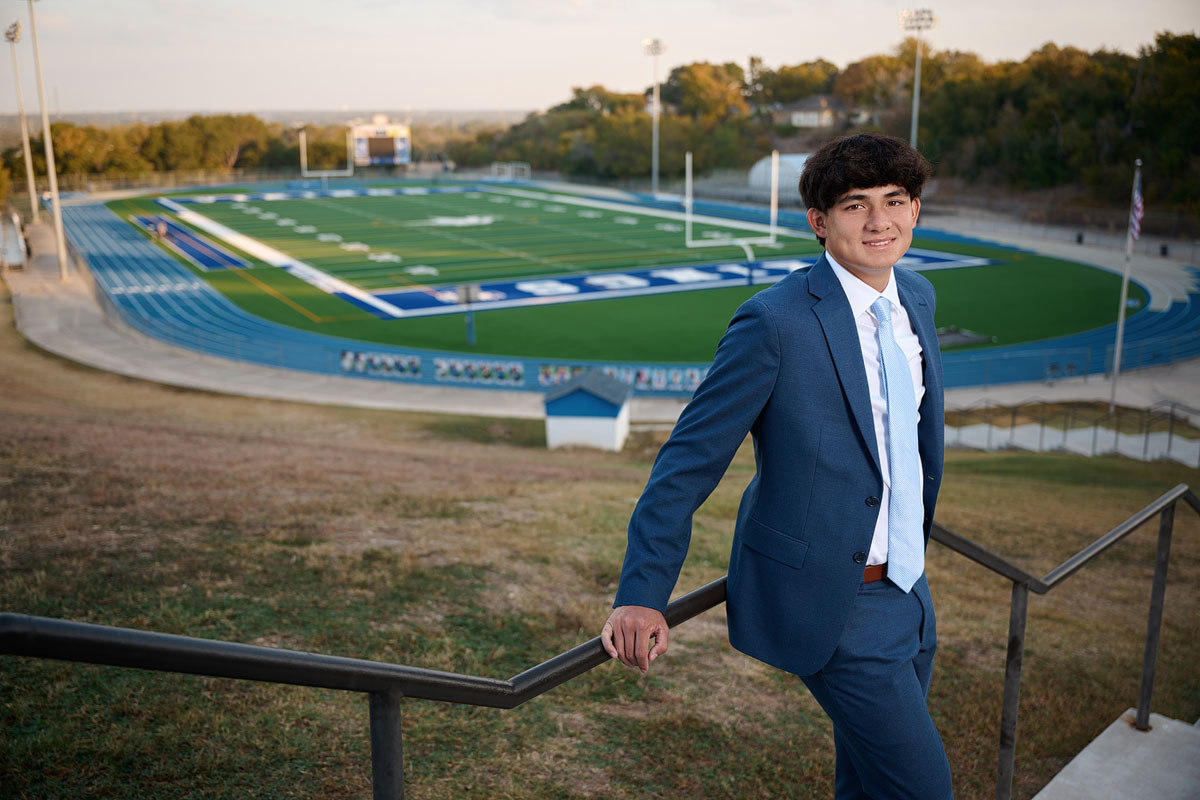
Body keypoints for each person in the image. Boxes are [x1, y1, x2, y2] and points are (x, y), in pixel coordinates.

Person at [600, 133, 951, 799]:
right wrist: (643, 596)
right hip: (836, 603)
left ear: (915, 211)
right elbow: (687, 463)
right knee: (923, 790)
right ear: (819, 222)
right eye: (855, 205)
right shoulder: (775, 322)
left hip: (910, 590)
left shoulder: (919, 298)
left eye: (895, 201)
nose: (879, 222)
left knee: (870, 784)